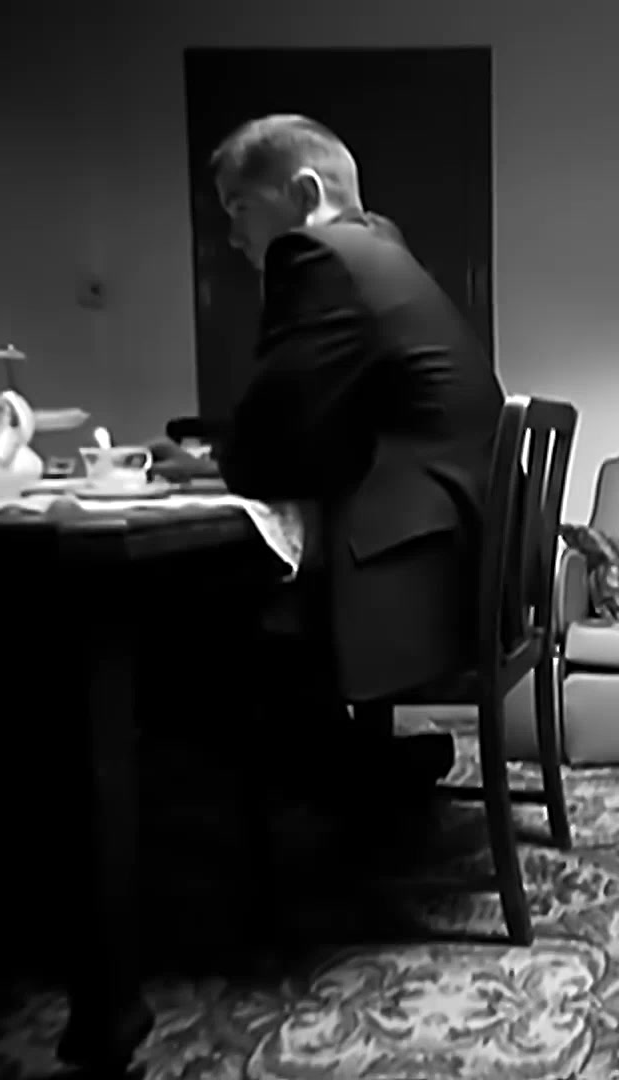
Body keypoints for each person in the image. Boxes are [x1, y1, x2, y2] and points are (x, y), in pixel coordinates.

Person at [154, 114, 505, 799]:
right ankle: (355, 769)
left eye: (240, 208)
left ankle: (282, 789)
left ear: (304, 193)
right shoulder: (384, 250)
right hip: (461, 555)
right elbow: (314, 426)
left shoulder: (316, 255)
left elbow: (265, 449)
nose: (232, 236)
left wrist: (211, 464)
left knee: (177, 609)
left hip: (411, 569)